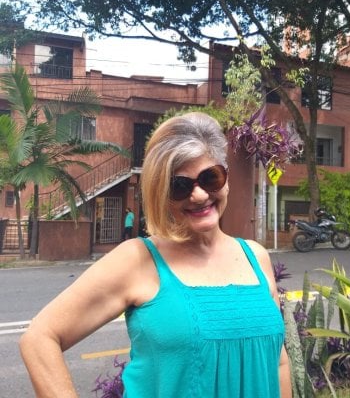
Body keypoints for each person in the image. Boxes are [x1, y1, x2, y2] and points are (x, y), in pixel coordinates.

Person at [19, 112, 292, 398]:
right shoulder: (137, 260)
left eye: (210, 178)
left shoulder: (256, 257)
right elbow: (39, 338)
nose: (199, 195)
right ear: (161, 193)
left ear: (226, 179)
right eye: (179, 186)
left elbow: (279, 362)